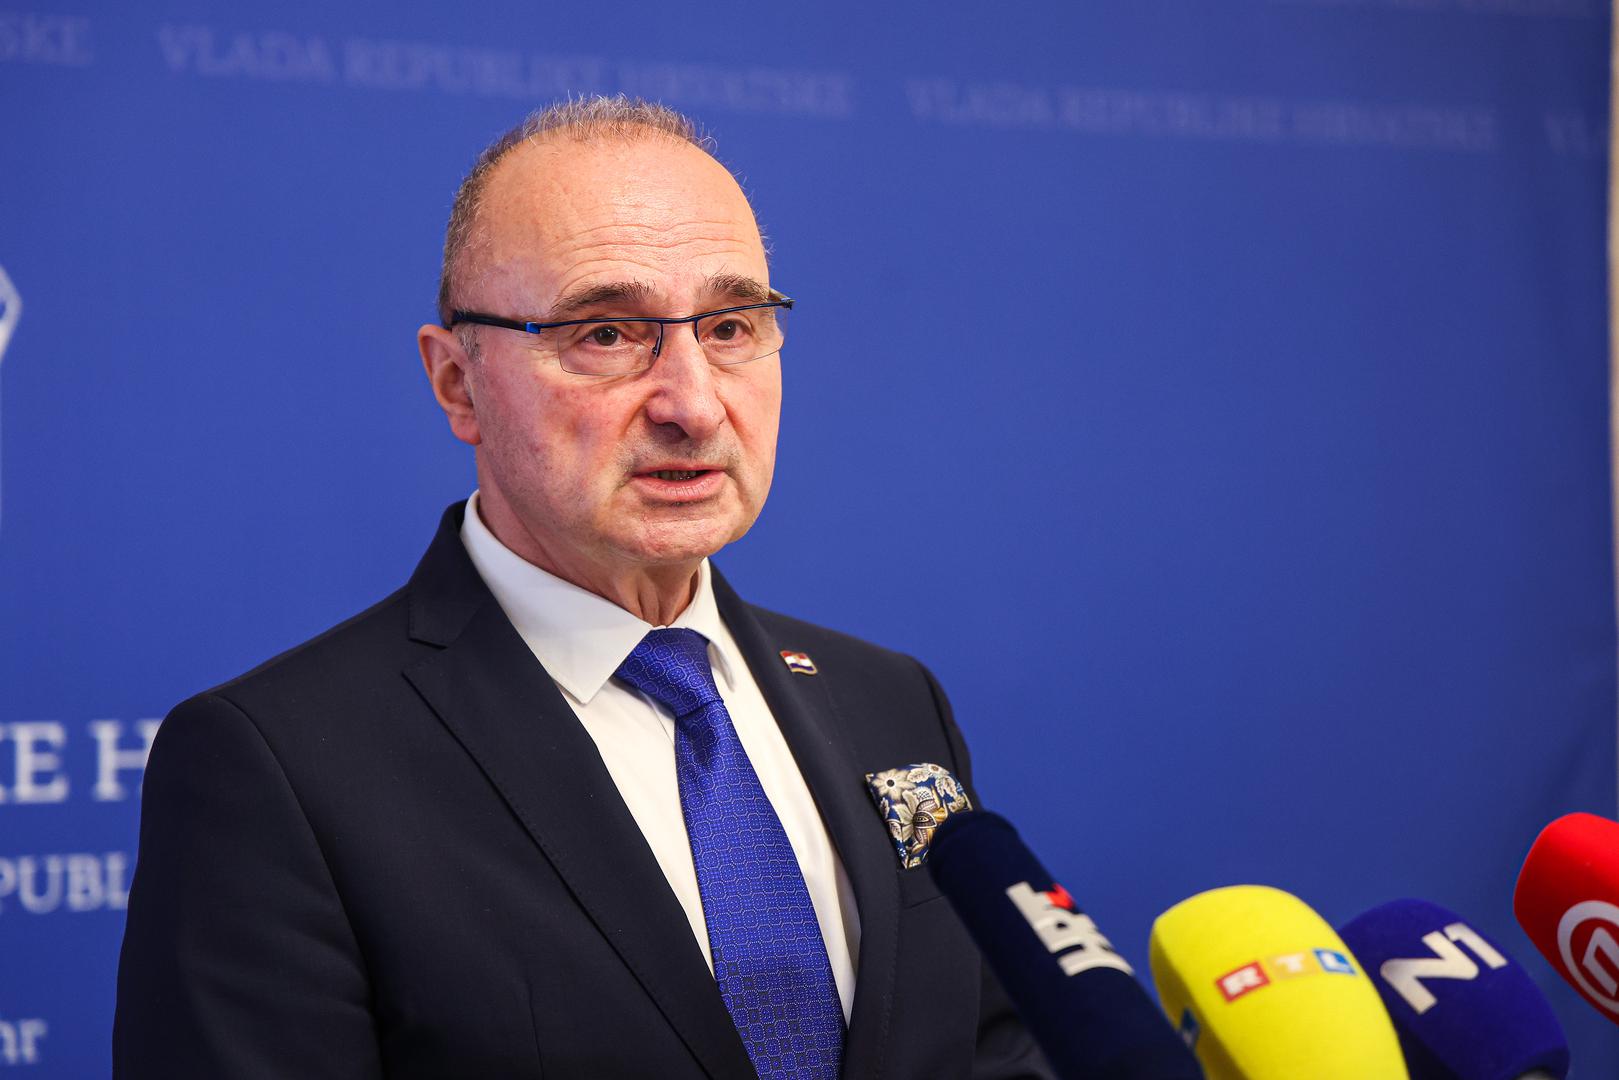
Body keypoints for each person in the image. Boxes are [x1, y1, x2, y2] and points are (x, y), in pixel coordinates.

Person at [114, 96, 1052, 1079]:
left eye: (730, 326)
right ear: (458, 383)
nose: (694, 404)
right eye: (605, 333)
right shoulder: (278, 769)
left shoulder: (891, 702)